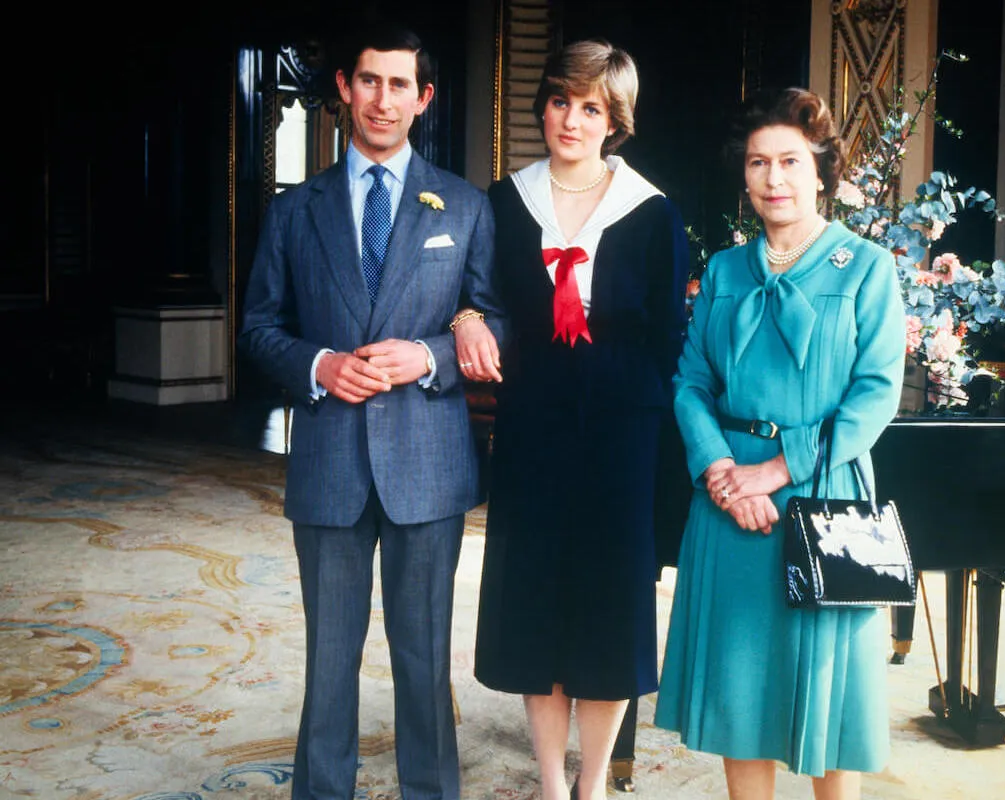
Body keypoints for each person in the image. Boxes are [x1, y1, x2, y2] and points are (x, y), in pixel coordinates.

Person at [239, 26, 504, 800]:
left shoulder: (464, 204)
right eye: (368, 82)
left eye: (399, 85)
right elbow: (257, 328)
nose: (381, 100)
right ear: (344, 92)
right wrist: (318, 365)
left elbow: (496, 318)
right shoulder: (296, 211)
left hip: (428, 464)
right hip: (327, 459)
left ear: (423, 99)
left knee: (423, 657)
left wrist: (431, 355)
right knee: (330, 658)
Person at [654, 87, 906, 800]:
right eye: (759, 163)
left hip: (822, 495)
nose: (774, 179)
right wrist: (720, 470)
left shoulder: (866, 268)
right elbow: (690, 383)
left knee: (831, 697)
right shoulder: (727, 271)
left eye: (790, 162)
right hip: (729, 497)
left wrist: (775, 470)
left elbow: (876, 395)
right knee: (741, 691)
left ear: (821, 169)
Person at [460, 39, 689, 800]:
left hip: (623, 432)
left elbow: (669, 340)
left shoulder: (652, 213)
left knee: (608, 606)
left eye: (591, 107)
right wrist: (466, 316)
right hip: (534, 425)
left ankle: (593, 784)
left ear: (614, 120)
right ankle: (552, 785)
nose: (571, 119)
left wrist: (643, 420)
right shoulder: (504, 199)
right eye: (561, 101)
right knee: (537, 599)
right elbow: (477, 294)